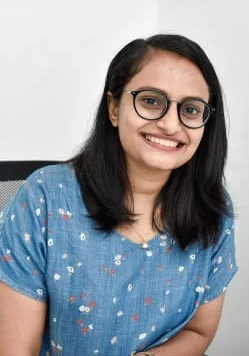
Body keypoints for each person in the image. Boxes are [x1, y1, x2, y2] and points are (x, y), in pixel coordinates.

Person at [0, 34, 237, 355]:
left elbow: (199, 330)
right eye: (151, 101)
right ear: (114, 108)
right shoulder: (44, 198)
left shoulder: (213, 209)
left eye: (191, 109)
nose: (170, 124)